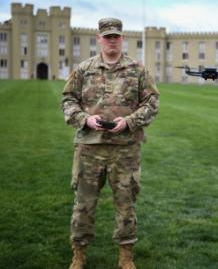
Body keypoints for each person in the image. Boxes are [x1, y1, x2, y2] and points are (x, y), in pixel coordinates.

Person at [61, 18, 159, 269]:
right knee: (83, 204)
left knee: (126, 204)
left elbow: (152, 104)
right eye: (107, 36)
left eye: (116, 36)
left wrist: (128, 122)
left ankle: (126, 258)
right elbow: (68, 100)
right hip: (89, 148)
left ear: (122, 38)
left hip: (125, 149)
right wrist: (85, 118)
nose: (112, 40)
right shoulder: (84, 69)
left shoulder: (138, 70)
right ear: (99, 39)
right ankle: (79, 256)